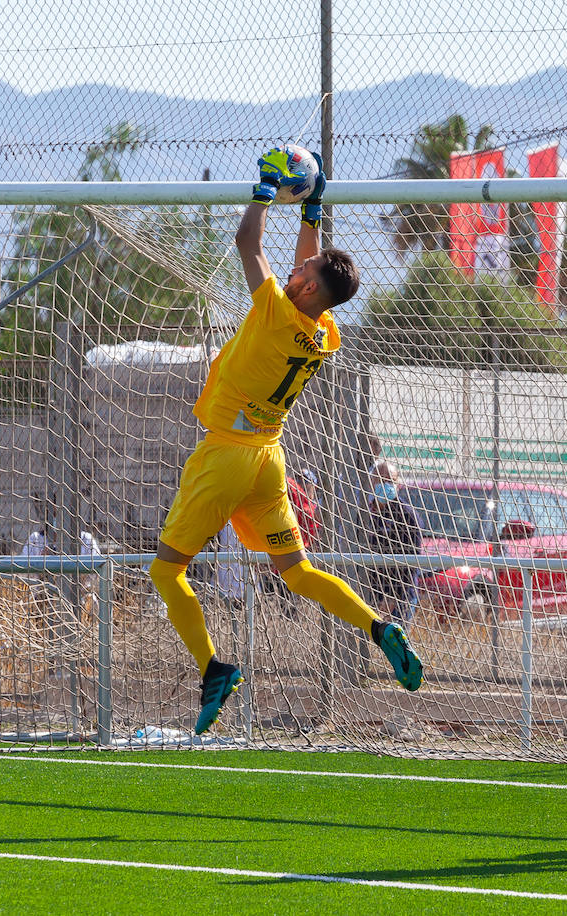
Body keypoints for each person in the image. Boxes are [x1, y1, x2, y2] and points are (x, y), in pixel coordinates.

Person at [148, 147, 423, 736]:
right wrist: (313, 208)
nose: (294, 270)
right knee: (295, 571)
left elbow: (248, 242)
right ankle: (378, 627)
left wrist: (267, 188)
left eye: (301, 272)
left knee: (166, 573)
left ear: (301, 290)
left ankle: (214, 667)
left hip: (224, 454)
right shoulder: (325, 332)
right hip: (270, 460)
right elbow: (313, 267)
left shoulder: (275, 309)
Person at [362, 460, 422, 623]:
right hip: (369, 593)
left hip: (399, 597)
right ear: (372, 482)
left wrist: (392, 599)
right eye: (381, 480)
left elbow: (411, 563)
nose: (385, 485)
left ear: (398, 484)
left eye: (390, 481)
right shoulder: (364, 513)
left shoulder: (407, 516)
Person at [288, 467, 323, 550]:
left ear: (314, 485)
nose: (300, 484)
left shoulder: (319, 506)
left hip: (311, 546)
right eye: (298, 480)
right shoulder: (293, 501)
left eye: (305, 481)